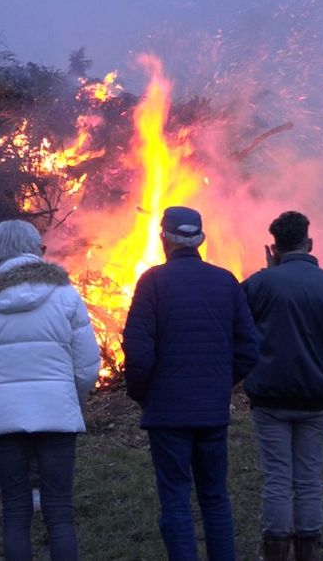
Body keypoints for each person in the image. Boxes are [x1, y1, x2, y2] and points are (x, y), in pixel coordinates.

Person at [0, 220, 100, 561]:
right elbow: (87, 364)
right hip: (57, 418)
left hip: (4, 420)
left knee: (16, 513)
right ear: (36, 249)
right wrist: (69, 398)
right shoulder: (65, 294)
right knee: (60, 512)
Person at [122, 206, 259, 561]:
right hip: (211, 413)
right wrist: (219, 384)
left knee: (176, 499)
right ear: (200, 240)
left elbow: (138, 351)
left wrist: (142, 393)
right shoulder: (225, 281)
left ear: (163, 239)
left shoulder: (152, 282)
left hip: (167, 414)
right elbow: (249, 348)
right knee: (215, 498)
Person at [241, 211, 323, 561]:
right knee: (309, 479)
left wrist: (250, 376)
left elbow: (238, 335)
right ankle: (308, 553)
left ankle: (276, 554)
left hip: (268, 400)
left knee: (277, 478)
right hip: (317, 402)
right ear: (309, 243)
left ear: (274, 248)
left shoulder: (257, 286)